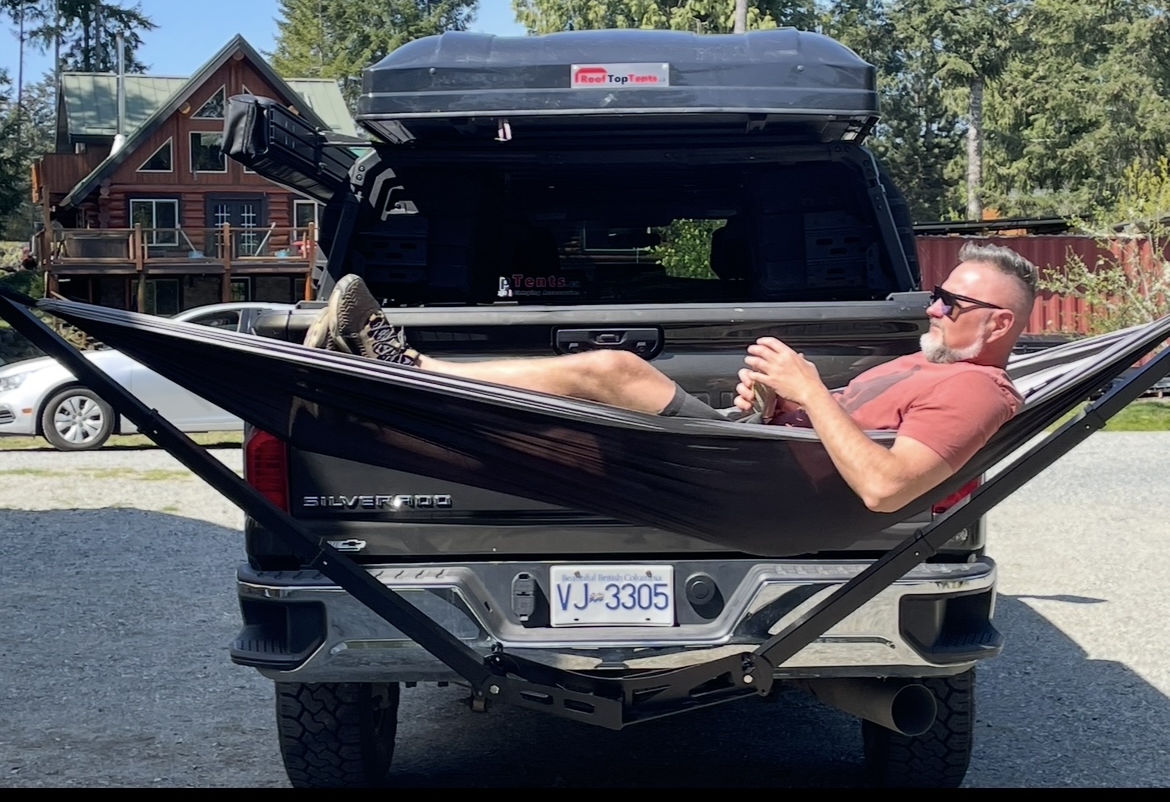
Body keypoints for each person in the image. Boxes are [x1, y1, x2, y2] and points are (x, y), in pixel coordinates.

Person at [304, 241, 1038, 515]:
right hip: (753, 450)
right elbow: (847, 431)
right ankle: (395, 380)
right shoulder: (931, 363)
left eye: (952, 303)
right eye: (937, 294)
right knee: (582, 405)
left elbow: (886, 489)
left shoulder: (976, 390)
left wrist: (809, 390)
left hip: (756, 485)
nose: (933, 306)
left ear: (998, 323)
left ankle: (406, 371)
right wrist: (776, 404)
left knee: (613, 370)